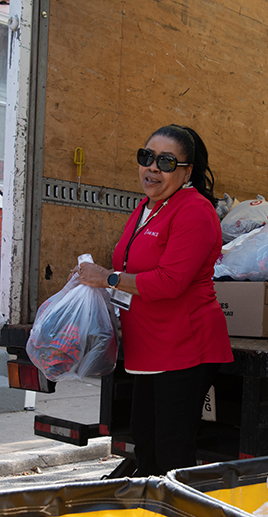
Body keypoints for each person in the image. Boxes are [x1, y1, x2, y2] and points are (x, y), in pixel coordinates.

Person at [76, 124, 233, 476]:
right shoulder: (146, 208)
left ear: (186, 171)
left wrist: (109, 278)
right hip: (148, 348)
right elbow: (130, 266)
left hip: (184, 348)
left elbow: (170, 282)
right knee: (145, 447)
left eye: (165, 161)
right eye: (146, 158)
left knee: (171, 453)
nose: (152, 168)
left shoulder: (194, 211)